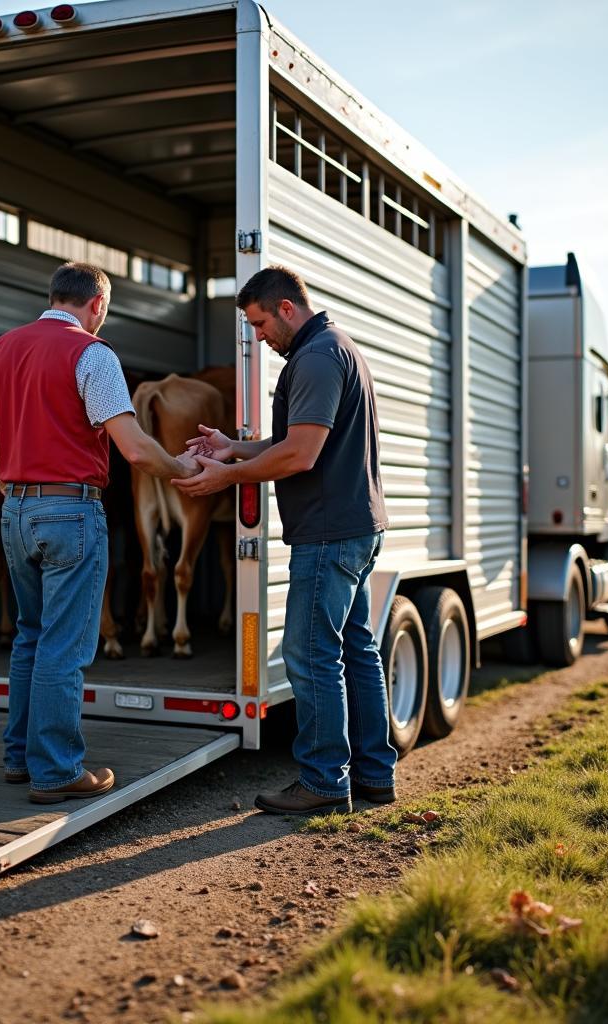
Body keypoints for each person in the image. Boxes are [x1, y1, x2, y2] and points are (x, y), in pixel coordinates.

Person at [0, 262, 201, 804]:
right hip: (71, 511)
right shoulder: (92, 355)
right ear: (97, 304)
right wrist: (186, 471)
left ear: (53, 297)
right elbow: (136, 448)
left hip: (17, 512)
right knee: (64, 646)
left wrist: (12, 486)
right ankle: (56, 771)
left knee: (29, 636)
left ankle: (20, 758)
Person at [173, 265, 396, 816]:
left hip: (328, 533)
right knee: (355, 650)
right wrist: (232, 446)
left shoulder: (317, 358)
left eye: (260, 323)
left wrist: (227, 476)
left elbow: (301, 455)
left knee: (310, 652)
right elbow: (295, 438)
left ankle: (323, 782)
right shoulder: (332, 348)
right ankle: (373, 777)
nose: (259, 337)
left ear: (287, 309)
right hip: (353, 526)